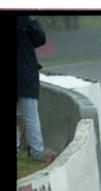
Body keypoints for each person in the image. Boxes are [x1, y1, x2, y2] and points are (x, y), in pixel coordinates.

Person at [17, 16, 54, 163]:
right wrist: (32, 21)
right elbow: (40, 40)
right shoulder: (25, 19)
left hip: (25, 73)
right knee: (31, 115)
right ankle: (37, 152)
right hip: (26, 73)